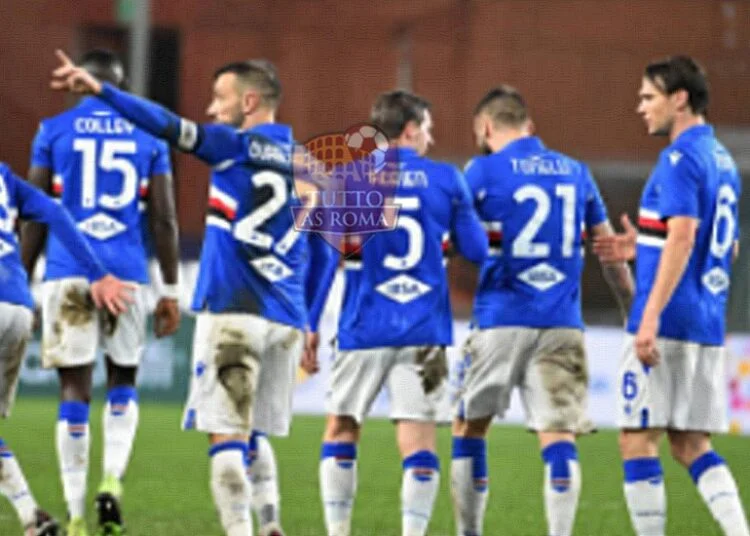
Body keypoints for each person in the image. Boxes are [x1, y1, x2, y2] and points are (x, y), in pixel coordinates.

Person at [49, 50, 335, 536]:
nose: (210, 109)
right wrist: (310, 320)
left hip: (232, 312)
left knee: (225, 439)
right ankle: (271, 524)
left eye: (220, 98)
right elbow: (326, 255)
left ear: (249, 101)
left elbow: (164, 124)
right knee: (256, 433)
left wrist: (103, 92)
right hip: (287, 320)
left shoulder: (229, 145)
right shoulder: (311, 167)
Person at [451, 86, 634, 536]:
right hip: (561, 323)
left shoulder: (481, 170)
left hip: (500, 318)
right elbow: (610, 253)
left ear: (487, 127)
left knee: (469, 429)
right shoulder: (577, 172)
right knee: (559, 438)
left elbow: (447, 239)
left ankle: (469, 533)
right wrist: (634, 312)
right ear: (529, 126)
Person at [22, 49, 180, 536]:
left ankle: (73, 515)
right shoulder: (149, 135)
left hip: (69, 271)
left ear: (76, 85)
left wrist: (22, 282)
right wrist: (169, 288)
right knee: (123, 380)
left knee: (73, 388)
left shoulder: (52, 130)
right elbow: (165, 219)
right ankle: (110, 482)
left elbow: (34, 213)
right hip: (127, 273)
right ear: (120, 86)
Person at [316, 90, 487, 536]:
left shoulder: (346, 178)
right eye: (427, 127)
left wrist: (310, 324)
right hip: (423, 330)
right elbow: (476, 250)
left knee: (340, 430)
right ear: (409, 129)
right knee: (419, 443)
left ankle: (338, 532)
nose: (430, 136)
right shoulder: (448, 178)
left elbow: (324, 260)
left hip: (362, 326)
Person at [593, 56, 749, 536]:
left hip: (669, 318)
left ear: (679, 98)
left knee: (637, 440)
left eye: (648, 97)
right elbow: (727, 245)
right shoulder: (723, 160)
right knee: (690, 444)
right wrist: (644, 246)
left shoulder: (678, 158)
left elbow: (683, 238)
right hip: (705, 319)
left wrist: (650, 316)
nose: (641, 108)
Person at [0, 161, 132, 536]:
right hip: (17, 305)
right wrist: (96, 272)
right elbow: (55, 211)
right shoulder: (4, 175)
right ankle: (32, 518)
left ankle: (32, 514)